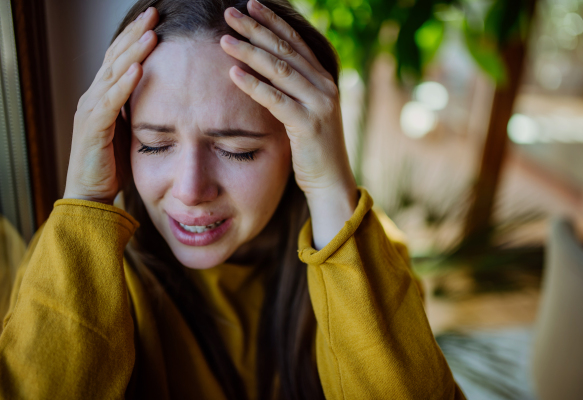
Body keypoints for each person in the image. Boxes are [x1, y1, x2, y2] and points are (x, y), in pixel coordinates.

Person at [0, 0, 465, 398]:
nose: (190, 190)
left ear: (301, 144)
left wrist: (328, 190)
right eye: (154, 144)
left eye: (236, 150)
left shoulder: (366, 257)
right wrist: (85, 195)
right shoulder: (72, 264)